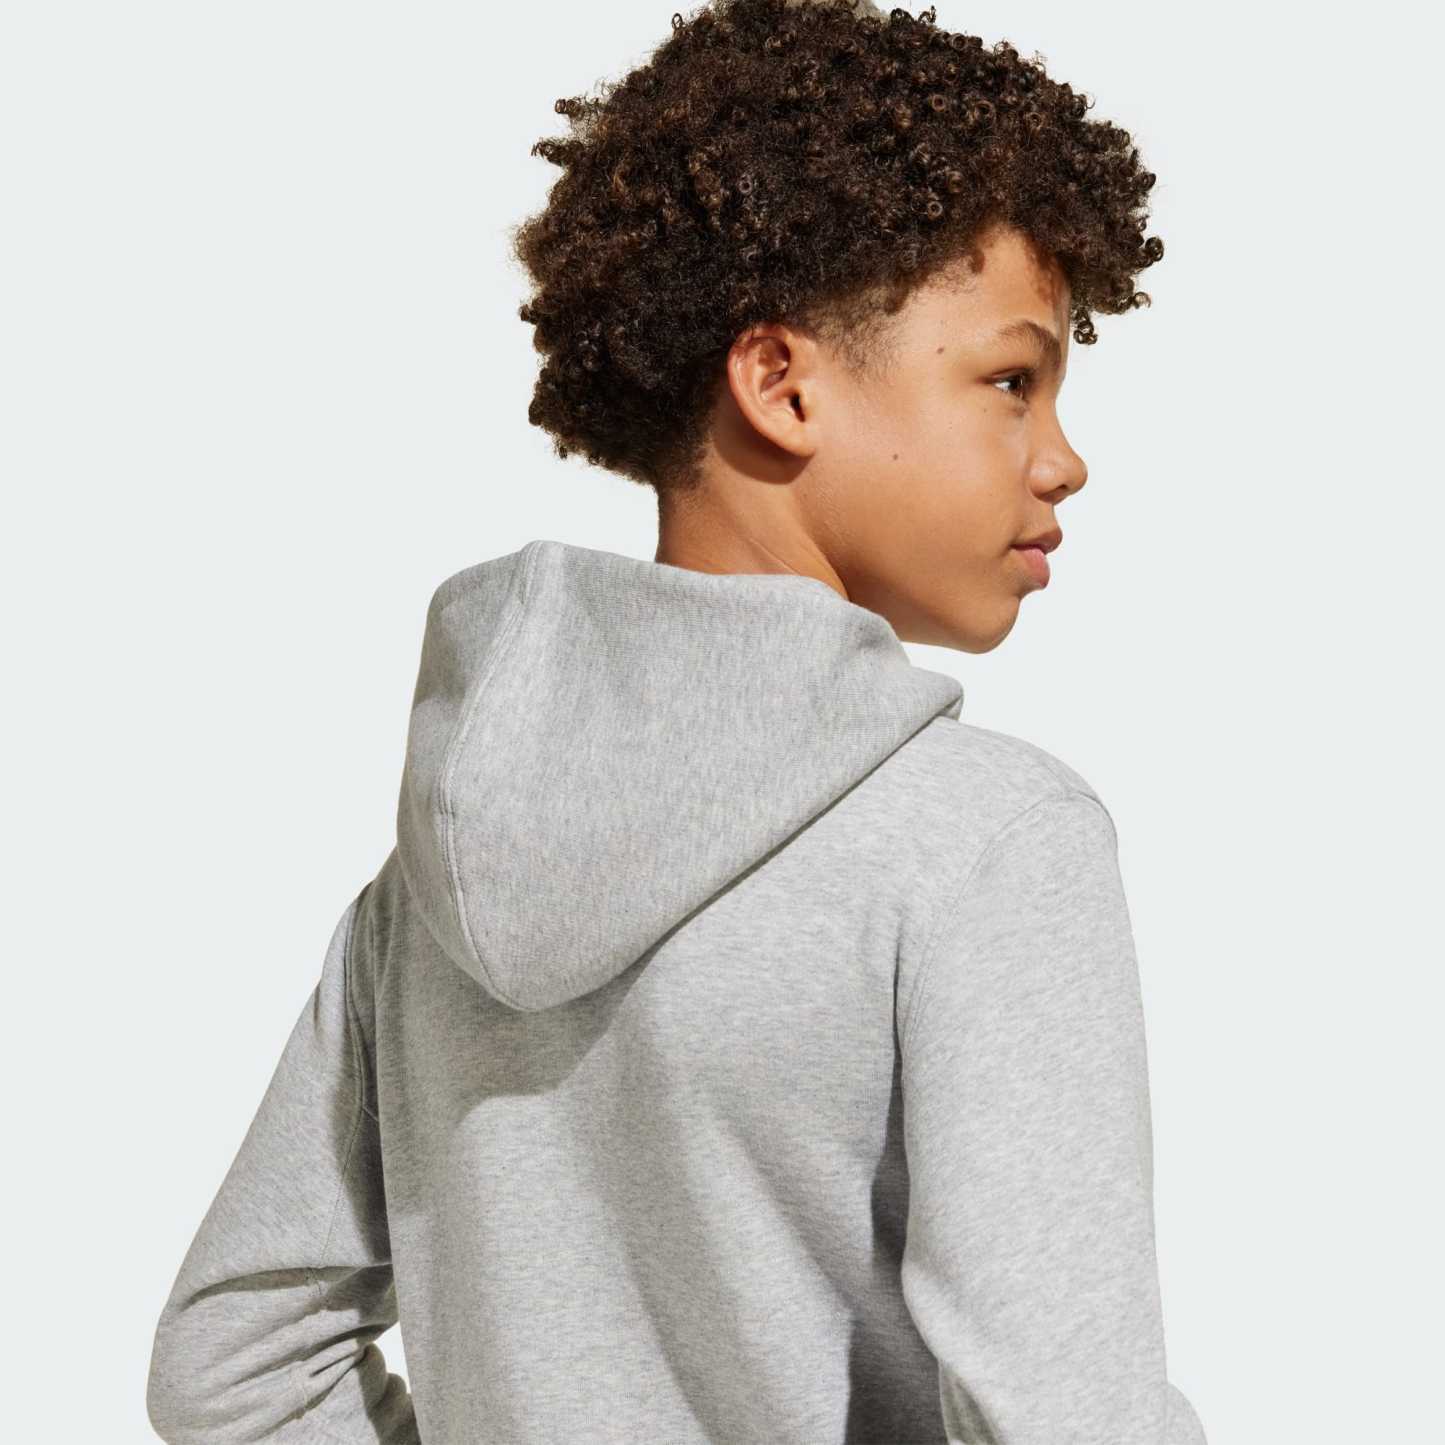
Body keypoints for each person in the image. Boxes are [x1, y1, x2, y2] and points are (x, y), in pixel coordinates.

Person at [146, 2, 1206, 1440]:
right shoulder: (986, 844)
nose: (1063, 460)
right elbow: (1066, 1416)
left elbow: (235, 1361)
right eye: (1011, 382)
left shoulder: (439, 878)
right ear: (780, 384)